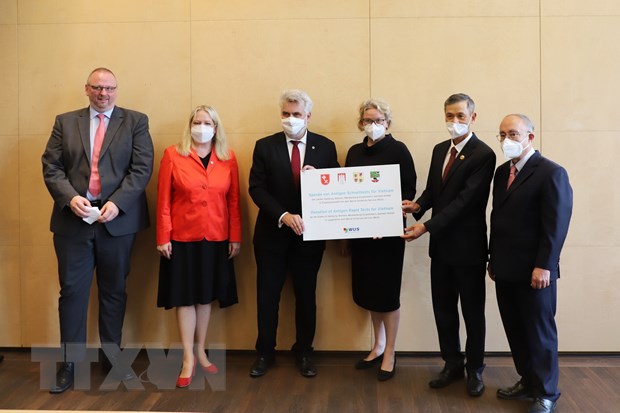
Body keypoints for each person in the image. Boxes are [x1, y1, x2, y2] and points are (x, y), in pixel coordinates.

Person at [41, 67, 154, 393]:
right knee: (72, 292)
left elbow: (142, 168)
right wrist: (70, 197)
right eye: (97, 88)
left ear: (117, 90)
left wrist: (118, 203)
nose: (104, 93)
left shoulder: (135, 121)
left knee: (114, 290)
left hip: (117, 221)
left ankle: (112, 358)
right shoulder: (65, 122)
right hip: (73, 221)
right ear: (87, 89)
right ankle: (69, 363)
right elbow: (51, 166)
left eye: (109, 88)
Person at [402, 93, 495, 396]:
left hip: (468, 249)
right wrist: (418, 206)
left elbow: (464, 202)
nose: (454, 121)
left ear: (473, 117)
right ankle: (452, 363)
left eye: (460, 116)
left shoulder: (484, 154)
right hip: (441, 248)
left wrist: (425, 227)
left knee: (472, 313)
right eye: (449, 115)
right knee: (443, 310)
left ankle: (475, 369)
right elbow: (434, 190)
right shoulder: (440, 149)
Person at [248, 89, 339, 378]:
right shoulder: (265, 146)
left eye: (296, 114)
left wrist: (319, 178)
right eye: (286, 114)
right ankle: (265, 353)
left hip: (309, 237)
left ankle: (304, 352)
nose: (291, 119)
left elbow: (337, 185)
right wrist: (283, 216)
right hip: (271, 235)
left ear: (308, 116)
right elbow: (256, 188)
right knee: (267, 297)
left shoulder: (326, 146)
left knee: (306, 296)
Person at [489, 114, 572, 413]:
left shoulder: (551, 172)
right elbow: (497, 218)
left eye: (513, 133)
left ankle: (547, 393)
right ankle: (528, 381)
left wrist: (544, 265)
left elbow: (556, 225)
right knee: (515, 329)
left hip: (536, 271)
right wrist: (493, 258)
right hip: (505, 268)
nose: (506, 140)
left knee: (539, 333)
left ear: (530, 137)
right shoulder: (502, 173)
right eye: (502, 134)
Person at [156, 105, 241, 388]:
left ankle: (201, 350)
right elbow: (163, 199)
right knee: (185, 297)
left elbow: (233, 201)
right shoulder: (173, 154)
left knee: (205, 297)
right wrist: (163, 236)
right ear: (189, 125)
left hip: (215, 237)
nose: (201, 127)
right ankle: (187, 357)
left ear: (216, 128)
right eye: (197, 122)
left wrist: (235, 236)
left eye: (207, 123)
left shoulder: (228, 157)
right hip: (181, 237)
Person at [343, 99, 416, 381]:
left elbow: (408, 191)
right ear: (360, 122)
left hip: (387, 236)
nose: (372, 125)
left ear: (388, 123)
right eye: (367, 120)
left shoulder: (399, 150)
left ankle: (390, 352)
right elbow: (346, 191)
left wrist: (384, 219)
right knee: (369, 293)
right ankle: (378, 345)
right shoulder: (354, 151)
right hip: (361, 235)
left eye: (378, 120)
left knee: (386, 295)